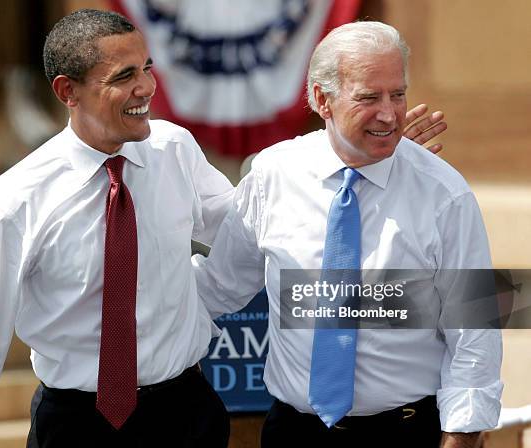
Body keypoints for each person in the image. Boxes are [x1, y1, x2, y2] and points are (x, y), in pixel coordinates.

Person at [0, 10, 447, 448]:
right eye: (122, 76)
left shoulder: (174, 149)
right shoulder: (18, 196)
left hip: (185, 414)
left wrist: (376, 159)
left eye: (147, 67)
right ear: (68, 91)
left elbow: (260, 225)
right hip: (76, 424)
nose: (146, 88)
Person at [192, 21, 502, 448]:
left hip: (406, 432)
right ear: (322, 99)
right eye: (369, 97)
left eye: (398, 93)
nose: (390, 113)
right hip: (294, 432)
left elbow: (475, 328)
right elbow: (221, 286)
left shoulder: (445, 194)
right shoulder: (273, 174)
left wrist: (462, 435)